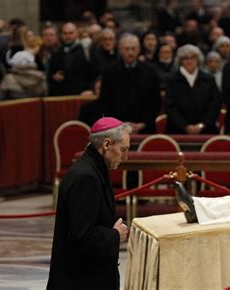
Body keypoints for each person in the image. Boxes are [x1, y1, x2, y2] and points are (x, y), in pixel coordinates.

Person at [47, 117, 130, 290]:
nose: (126, 156)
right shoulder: (86, 177)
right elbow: (82, 236)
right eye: (123, 149)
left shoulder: (92, 168)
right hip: (80, 281)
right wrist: (115, 235)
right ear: (107, 144)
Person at [99, 33, 161, 134]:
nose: (130, 52)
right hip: (117, 130)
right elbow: (105, 102)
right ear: (120, 50)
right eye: (126, 49)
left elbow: (155, 101)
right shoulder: (110, 73)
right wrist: (119, 124)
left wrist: (143, 123)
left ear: (139, 50)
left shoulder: (150, 72)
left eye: (133, 49)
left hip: (145, 128)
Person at [165, 44, 221, 134]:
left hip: (206, 130)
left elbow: (215, 104)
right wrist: (185, 126)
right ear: (180, 61)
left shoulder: (209, 79)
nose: (189, 61)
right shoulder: (172, 80)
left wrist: (202, 125)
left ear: (198, 60)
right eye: (185, 58)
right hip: (178, 131)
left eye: (193, 58)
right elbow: (170, 107)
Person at [47, 22, 94, 96]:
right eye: (65, 33)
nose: (68, 36)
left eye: (71, 33)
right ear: (61, 35)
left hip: (81, 94)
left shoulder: (85, 50)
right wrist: (54, 77)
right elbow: (50, 73)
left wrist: (91, 89)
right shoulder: (56, 52)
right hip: (61, 95)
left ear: (76, 33)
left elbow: (93, 73)